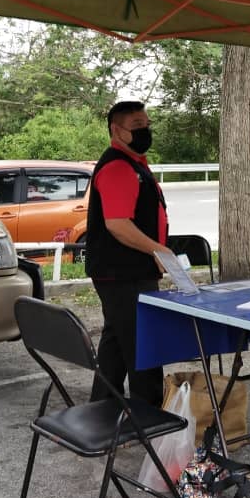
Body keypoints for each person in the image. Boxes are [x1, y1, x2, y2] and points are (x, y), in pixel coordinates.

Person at [85, 100, 175, 407]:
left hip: (127, 272)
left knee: (117, 342)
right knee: (143, 346)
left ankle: (101, 409)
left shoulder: (134, 164)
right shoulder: (118, 167)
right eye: (138, 126)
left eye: (147, 124)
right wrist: (158, 249)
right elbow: (118, 224)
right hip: (124, 274)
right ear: (117, 130)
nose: (145, 131)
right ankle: (149, 418)